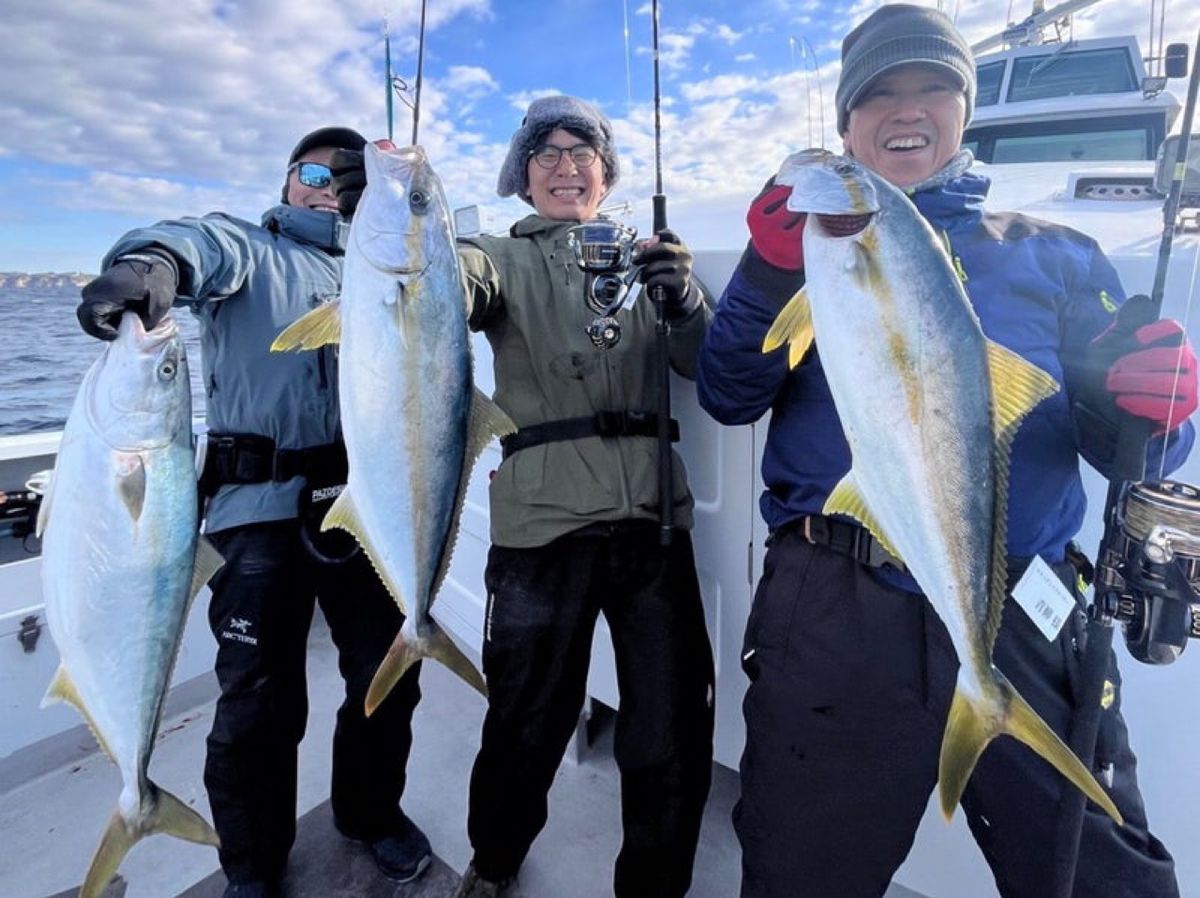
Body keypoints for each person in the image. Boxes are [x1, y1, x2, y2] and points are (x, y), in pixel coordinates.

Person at [695, 6, 1197, 898]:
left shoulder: (1058, 254)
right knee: (799, 873)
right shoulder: (800, 258)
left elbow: (1133, 451)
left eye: (932, 87)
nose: (906, 110)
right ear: (847, 124)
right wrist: (770, 271)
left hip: (1021, 606)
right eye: (879, 94)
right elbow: (729, 395)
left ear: (964, 109)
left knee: (1100, 880)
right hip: (835, 606)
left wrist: (1157, 406)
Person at [331, 94, 717, 898]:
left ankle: (655, 886)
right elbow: (450, 288)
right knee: (525, 721)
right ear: (522, 176)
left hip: (653, 524)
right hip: (541, 529)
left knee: (671, 729)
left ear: (606, 174)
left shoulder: (647, 262)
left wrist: (684, 300)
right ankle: (495, 860)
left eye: (584, 153)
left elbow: (700, 365)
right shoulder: (495, 256)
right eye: (547, 154)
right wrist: (410, 230)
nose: (566, 166)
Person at [76, 127, 430, 898]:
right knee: (260, 695)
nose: (330, 184)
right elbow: (189, 243)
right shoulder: (248, 248)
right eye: (312, 169)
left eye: (350, 175)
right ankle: (252, 864)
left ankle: (369, 814)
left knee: (390, 674)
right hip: (255, 507)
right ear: (285, 181)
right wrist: (149, 266)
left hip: (360, 506)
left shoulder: (384, 267)